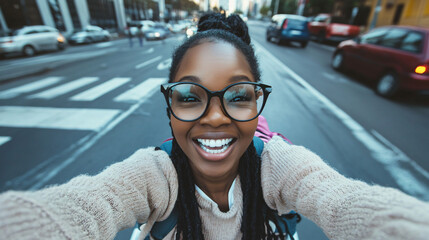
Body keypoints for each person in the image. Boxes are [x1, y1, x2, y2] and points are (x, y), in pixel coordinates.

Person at [1, 13, 429, 240]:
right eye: (190, 96)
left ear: (257, 104)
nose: (216, 116)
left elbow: (340, 199)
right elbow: (83, 207)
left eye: (239, 96)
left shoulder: (278, 163)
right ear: (169, 107)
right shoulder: (154, 174)